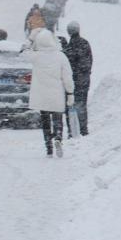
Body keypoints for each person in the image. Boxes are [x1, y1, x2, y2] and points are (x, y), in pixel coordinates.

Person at [22, 29, 75, 157]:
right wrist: (70, 93)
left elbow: (22, 52)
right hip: (56, 94)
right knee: (58, 118)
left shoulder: (36, 56)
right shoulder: (60, 56)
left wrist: (30, 39)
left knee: (45, 120)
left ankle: (49, 148)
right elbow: (67, 77)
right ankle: (58, 137)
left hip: (42, 95)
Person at [63, 21, 92, 136]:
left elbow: (67, 65)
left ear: (69, 32)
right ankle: (83, 129)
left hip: (73, 81)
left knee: (70, 105)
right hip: (84, 81)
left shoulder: (69, 47)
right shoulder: (85, 43)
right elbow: (88, 62)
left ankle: (72, 130)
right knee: (82, 105)